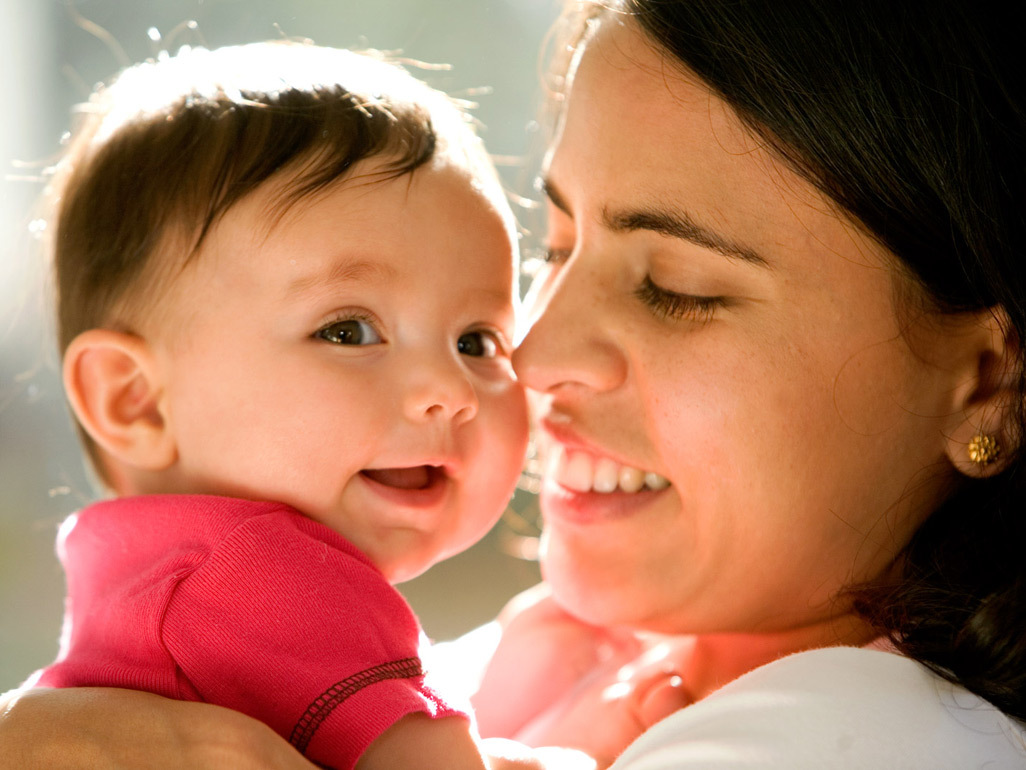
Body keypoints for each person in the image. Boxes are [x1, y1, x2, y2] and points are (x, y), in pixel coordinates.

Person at [3, 0, 1026, 767]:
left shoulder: (872, 735)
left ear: (982, 378)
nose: (527, 356)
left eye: (672, 286)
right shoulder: (510, 645)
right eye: (557, 247)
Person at [6, 38, 629, 770]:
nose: (450, 393)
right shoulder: (269, 570)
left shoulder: (142, 576)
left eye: (477, 341)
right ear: (134, 400)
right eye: (348, 330)